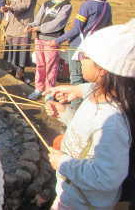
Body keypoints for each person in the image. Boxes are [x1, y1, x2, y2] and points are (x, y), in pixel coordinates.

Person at [44, 19, 135, 209]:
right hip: (71, 192)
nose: (79, 58)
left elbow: (107, 177)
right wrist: (66, 113)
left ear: (102, 69)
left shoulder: (113, 122)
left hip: (84, 203)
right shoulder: (98, 94)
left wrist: (63, 162)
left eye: (86, 56)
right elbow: (88, 131)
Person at [50, 0, 112, 108]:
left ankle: (75, 110)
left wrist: (58, 40)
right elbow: (108, 28)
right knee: (89, 81)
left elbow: (76, 29)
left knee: (76, 79)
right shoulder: (107, 7)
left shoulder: (87, 5)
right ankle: (87, 106)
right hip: (95, 50)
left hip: (79, 48)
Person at [26, 0, 72, 100]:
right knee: (40, 64)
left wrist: (39, 28)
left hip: (52, 40)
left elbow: (58, 23)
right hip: (39, 38)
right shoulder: (46, 3)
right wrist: (31, 25)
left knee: (51, 66)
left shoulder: (66, 6)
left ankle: (49, 92)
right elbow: (38, 19)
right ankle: (38, 88)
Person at [1, 0, 40, 81]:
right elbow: (14, 1)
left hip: (23, 22)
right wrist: (8, 7)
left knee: (21, 50)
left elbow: (26, 4)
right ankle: (11, 73)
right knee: (11, 47)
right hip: (13, 21)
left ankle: (19, 76)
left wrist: (10, 7)